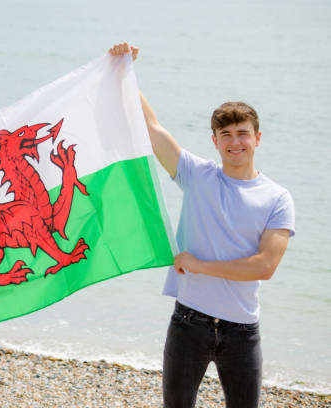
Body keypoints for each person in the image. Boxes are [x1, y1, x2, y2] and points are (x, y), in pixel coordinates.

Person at [108, 43, 295, 408]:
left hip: (242, 331)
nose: (235, 142)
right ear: (215, 141)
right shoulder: (197, 175)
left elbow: (265, 266)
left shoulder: (277, 197)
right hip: (188, 323)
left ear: (257, 138)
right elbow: (150, 127)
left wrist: (198, 265)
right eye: (225, 135)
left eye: (242, 133)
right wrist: (124, 69)